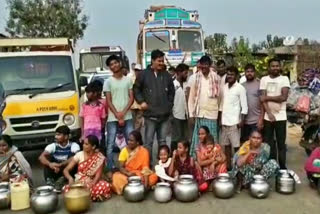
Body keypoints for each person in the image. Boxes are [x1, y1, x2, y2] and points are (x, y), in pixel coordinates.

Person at [133, 50, 175, 161]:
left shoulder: (167, 76)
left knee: (162, 142)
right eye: (159, 61)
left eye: (162, 61)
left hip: (164, 116)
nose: (161, 63)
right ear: (152, 60)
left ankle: (163, 168)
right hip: (150, 116)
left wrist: (169, 105)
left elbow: (172, 92)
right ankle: (148, 167)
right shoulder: (143, 74)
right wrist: (141, 101)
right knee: (148, 142)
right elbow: (136, 89)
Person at [104, 55, 134, 176]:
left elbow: (131, 98)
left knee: (130, 142)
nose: (114, 65)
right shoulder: (108, 82)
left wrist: (123, 113)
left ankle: (130, 165)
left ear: (120, 63)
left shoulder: (128, 80)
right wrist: (117, 114)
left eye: (116, 63)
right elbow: (108, 100)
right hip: (112, 117)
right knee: (110, 144)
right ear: (109, 67)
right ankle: (111, 167)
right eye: (111, 64)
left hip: (128, 116)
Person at [260, 58, 290, 169]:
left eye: (277, 66)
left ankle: (282, 167)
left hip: (281, 116)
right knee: (269, 144)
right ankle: (271, 166)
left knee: (281, 144)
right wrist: (269, 113)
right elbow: (262, 100)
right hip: (268, 117)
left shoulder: (284, 79)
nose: (275, 68)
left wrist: (267, 97)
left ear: (280, 67)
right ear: (269, 67)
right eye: (273, 66)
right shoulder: (264, 79)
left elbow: (283, 97)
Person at [188, 56, 221, 157]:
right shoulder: (195, 78)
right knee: (199, 141)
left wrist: (219, 114)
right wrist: (191, 114)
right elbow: (191, 97)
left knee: (212, 141)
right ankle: (198, 163)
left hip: (212, 115)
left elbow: (220, 98)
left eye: (207, 64)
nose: (204, 67)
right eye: (202, 65)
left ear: (210, 65)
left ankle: (212, 161)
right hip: (199, 114)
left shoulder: (216, 78)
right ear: (200, 65)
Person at [63, 135, 111, 201]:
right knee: (66, 188)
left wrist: (92, 184)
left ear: (93, 147)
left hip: (92, 182)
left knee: (105, 185)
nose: (83, 145)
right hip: (80, 182)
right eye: (83, 143)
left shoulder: (100, 157)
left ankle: (81, 197)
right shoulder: (79, 155)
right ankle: (93, 196)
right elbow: (66, 170)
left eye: (86, 144)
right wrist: (70, 178)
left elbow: (98, 176)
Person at [219, 66, 248, 169]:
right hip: (224, 122)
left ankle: (238, 168)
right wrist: (220, 120)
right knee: (226, 146)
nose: (230, 76)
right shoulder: (224, 87)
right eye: (228, 74)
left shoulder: (240, 88)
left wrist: (242, 120)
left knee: (236, 147)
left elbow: (244, 107)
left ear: (236, 76)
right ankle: (228, 167)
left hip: (235, 123)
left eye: (232, 74)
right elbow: (221, 105)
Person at [112, 131, 158, 195]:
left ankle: (133, 188)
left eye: (131, 140)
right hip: (128, 175)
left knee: (154, 176)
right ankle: (137, 187)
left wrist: (145, 186)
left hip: (140, 175)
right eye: (128, 140)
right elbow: (121, 167)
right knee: (116, 177)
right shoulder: (124, 151)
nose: (129, 142)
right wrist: (128, 174)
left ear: (138, 142)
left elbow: (145, 169)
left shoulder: (144, 151)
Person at [39, 126, 80, 191]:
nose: (56, 137)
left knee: (74, 158)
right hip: (55, 169)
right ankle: (50, 182)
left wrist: (61, 164)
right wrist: (50, 164)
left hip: (67, 169)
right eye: (56, 135)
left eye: (59, 135)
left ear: (66, 137)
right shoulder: (53, 146)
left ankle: (63, 179)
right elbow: (41, 157)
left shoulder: (74, 145)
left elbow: (77, 156)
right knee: (46, 159)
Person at [241, 64, 264, 143]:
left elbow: (262, 102)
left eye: (251, 71)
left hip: (256, 121)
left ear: (255, 72)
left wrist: (261, 119)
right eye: (247, 71)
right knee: (245, 144)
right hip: (244, 121)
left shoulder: (260, 85)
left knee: (256, 144)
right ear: (245, 73)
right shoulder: (241, 86)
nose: (249, 73)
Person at [171, 63, 189, 151]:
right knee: (176, 138)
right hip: (176, 115)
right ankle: (173, 157)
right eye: (185, 73)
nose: (187, 75)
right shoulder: (173, 85)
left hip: (186, 115)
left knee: (185, 138)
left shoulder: (186, 84)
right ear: (178, 72)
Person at [129, 64, 144, 131]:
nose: (137, 71)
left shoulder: (144, 79)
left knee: (139, 122)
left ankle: (136, 135)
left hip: (140, 104)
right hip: (132, 104)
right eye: (136, 70)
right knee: (132, 121)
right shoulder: (130, 78)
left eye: (139, 70)